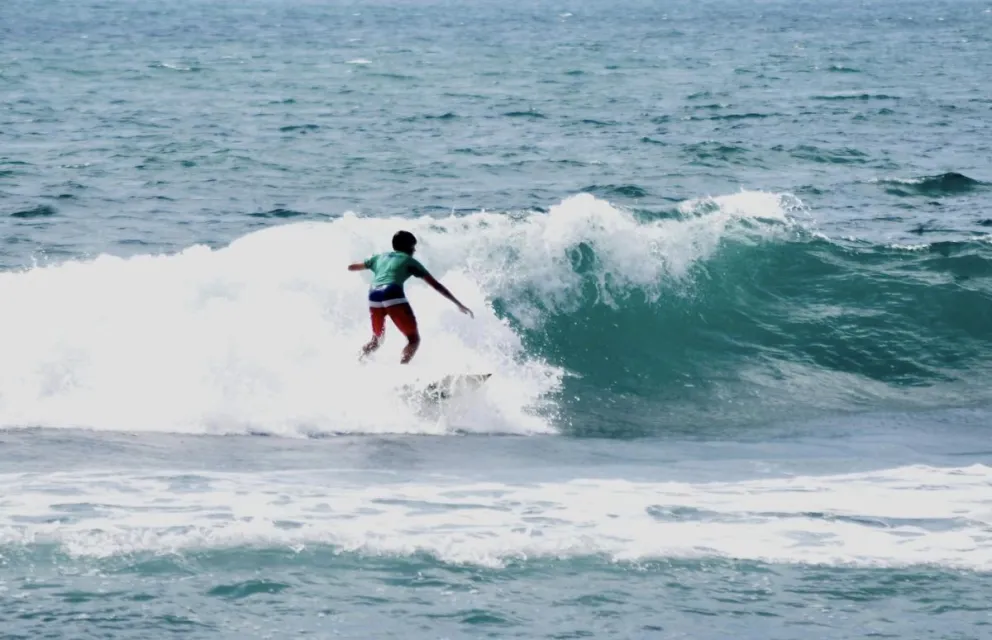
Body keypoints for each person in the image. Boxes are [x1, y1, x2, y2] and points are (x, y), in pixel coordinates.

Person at [348, 230, 473, 364]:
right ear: (408, 247)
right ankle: (401, 373)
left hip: (374, 295)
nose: (414, 249)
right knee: (413, 340)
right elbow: (436, 285)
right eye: (413, 246)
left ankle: (355, 363)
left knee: (376, 341)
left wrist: (370, 264)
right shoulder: (409, 261)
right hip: (392, 293)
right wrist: (458, 304)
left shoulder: (378, 257)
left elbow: (351, 267)